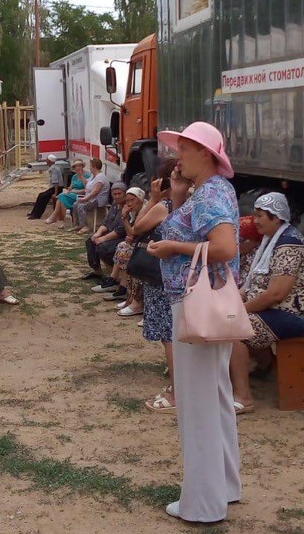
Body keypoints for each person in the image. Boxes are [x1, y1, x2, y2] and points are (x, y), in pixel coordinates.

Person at [145, 121, 241, 523]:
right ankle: (224, 486)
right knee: (215, 396)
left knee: (197, 403)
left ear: (204, 152)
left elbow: (224, 247)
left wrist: (172, 247)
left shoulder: (209, 195)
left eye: (183, 148)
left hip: (193, 303)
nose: (177, 156)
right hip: (210, 302)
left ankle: (202, 504)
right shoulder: (217, 190)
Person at [230, 192, 304, 414]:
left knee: (232, 330)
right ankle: (265, 366)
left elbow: (275, 294)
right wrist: (234, 302)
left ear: (277, 217)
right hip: (278, 311)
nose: (255, 220)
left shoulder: (289, 243)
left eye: (260, 215)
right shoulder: (271, 241)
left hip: (297, 314)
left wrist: (239, 311)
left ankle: (244, 397)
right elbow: (253, 284)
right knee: (230, 317)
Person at [133, 157, 184, 414]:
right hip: (184, 276)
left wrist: (152, 198)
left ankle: (177, 390)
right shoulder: (193, 205)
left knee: (170, 336)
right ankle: (183, 385)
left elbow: (137, 228)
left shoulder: (165, 206)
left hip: (163, 276)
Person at [92, 187, 146, 307]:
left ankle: (120, 286)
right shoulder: (130, 211)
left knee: (123, 247)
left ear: (141, 199)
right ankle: (117, 283)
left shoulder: (144, 210)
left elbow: (131, 232)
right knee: (122, 246)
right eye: (128, 201)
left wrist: (124, 218)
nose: (130, 203)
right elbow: (130, 233)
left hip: (146, 243)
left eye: (133, 200)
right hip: (137, 241)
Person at [82, 182, 128, 280]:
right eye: (114, 194)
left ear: (125, 193)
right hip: (111, 233)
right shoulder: (115, 205)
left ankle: (114, 276)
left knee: (103, 247)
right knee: (90, 241)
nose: (117, 196)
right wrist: (98, 234)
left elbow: (121, 230)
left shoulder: (127, 207)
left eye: (119, 193)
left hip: (121, 237)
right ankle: (97, 271)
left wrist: (103, 238)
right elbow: (106, 222)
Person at [45, 160, 89, 227]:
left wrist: (81, 177)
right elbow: (70, 187)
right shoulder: (74, 176)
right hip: (72, 193)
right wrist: (67, 190)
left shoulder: (86, 175)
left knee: (61, 196)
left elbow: (86, 189)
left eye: (79, 165)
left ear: (82, 166)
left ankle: (54, 215)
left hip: (80, 194)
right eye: (76, 166)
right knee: (62, 200)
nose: (78, 167)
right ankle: (65, 221)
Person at [71, 157, 110, 233]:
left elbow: (95, 191)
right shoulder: (93, 177)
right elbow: (86, 184)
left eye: (90, 166)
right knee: (75, 204)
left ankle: (85, 226)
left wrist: (85, 199)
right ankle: (78, 225)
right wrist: (80, 175)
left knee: (81, 206)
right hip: (91, 199)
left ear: (94, 166)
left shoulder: (100, 177)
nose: (89, 168)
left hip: (98, 200)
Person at [27, 155, 69, 220]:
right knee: (41, 195)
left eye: (47, 159)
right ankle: (34, 212)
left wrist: (55, 193)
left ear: (49, 161)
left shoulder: (53, 169)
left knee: (43, 198)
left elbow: (55, 182)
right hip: (55, 188)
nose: (46, 161)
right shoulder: (54, 167)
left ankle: (36, 215)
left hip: (57, 188)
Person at [238, 215, 264, 286]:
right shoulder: (243, 253)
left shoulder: (255, 257)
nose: (237, 244)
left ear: (255, 240)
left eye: (241, 240)